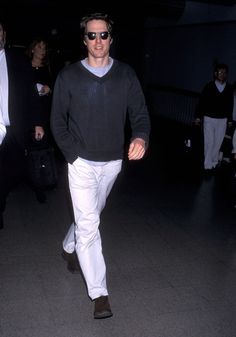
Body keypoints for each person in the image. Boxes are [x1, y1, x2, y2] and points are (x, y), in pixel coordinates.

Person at [50, 12, 151, 319]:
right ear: (84, 40)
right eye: (91, 35)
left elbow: (140, 114)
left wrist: (141, 138)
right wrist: (73, 155)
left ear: (111, 38)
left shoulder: (126, 74)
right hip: (80, 163)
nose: (98, 41)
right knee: (90, 227)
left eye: (103, 35)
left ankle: (70, 245)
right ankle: (100, 294)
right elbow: (57, 120)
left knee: (89, 215)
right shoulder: (69, 76)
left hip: (112, 164)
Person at [0, 19, 45, 229]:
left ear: (4, 35)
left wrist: (37, 122)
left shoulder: (18, 61)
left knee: (15, 170)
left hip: (12, 130)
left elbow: (31, 95)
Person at [26, 38, 55, 203]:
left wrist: (49, 89)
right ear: (32, 49)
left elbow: (53, 87)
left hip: (44, 113)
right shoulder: (24, 67)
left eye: (44, 47)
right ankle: (32, 179)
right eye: (39, 46)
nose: (42, 50)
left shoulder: (48, 69)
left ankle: (42, 182)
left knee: (42, 149)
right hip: (28, 113)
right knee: (30, 149)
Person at [195, 63, 233, 174]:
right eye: (220, 72)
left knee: (218, 142)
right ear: (215, 73)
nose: (222, 74)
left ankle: (214, 161)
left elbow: (230, 105)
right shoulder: (209, 86)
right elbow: (201, 102)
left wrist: (229, 120)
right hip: (209, 118)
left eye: (225, 72)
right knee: (209, 141)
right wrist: (198, 117)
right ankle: (207, 165)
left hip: (222, 119)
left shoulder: (229, 88)